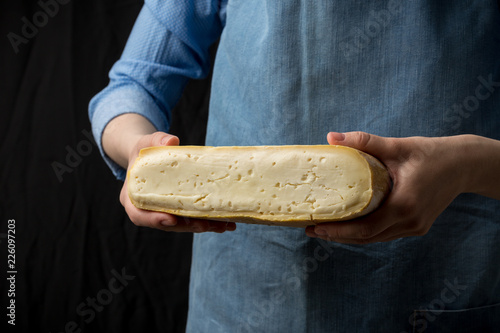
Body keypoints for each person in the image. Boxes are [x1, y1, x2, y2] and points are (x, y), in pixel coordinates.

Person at [89, 1, 500, 331]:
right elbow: (130, 87)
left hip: (437, 286)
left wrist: (466, 164)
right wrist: (138, 149)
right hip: (241, 301)